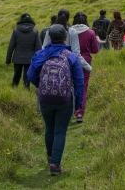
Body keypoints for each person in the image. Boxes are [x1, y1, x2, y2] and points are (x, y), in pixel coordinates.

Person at [27, 24, 84, 176]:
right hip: (65, 99)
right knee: (60, 131)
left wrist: (42, 86)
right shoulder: (70, 56)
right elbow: (79, 82)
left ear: (50, 38)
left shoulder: (41, 54)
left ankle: (50, 157)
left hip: (45, 98)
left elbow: (30, 74)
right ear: (65, 38)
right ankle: (55, 165)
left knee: (49, 128)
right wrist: (78, 104)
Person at [71, 12, 98, 123]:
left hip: (70, 61)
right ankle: (80, 113)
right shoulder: (90, 32)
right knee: (83, 87)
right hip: (85, 63)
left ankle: (69, 110)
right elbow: (95, 50)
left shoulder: (69, 32)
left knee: (70, 86)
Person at [6, 13, 41, 89]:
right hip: (29, 59)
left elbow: (11, 46)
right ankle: (26, 90)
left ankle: (14, 89)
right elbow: (39, 48)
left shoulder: (16, 30)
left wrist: (8, 60)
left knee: (16, 75)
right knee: (27, 76)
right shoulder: (35, 31)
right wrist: (40, 61)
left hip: (17, 58)